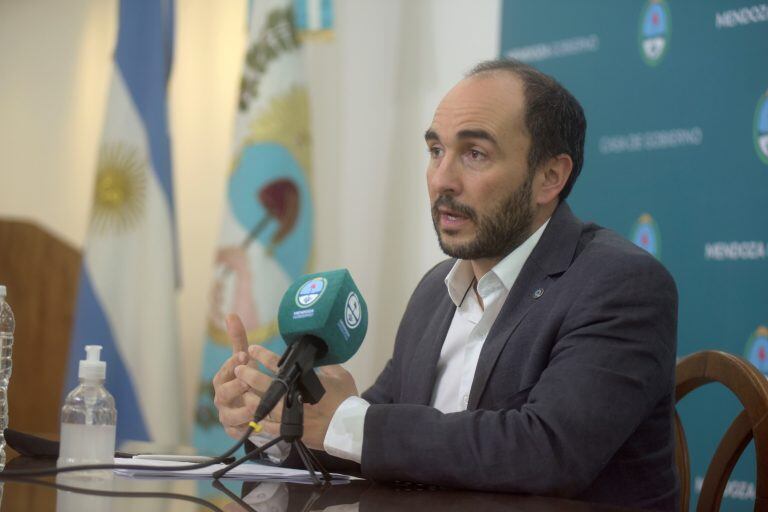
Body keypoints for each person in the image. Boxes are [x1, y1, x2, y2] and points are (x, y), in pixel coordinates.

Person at [212, 59, 679, 510]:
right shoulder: (436, 290)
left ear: (550, 177)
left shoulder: (619, 284)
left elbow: (546, 452)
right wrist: (280, 420)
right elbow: (368, 443)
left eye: (475, 154)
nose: (441, 180)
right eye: (436, 151)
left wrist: (347, 421)